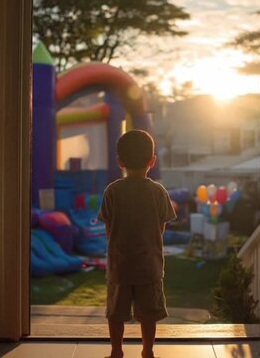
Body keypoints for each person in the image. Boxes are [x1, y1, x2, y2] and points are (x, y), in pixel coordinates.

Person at [98, 130, 177, 358]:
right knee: (149, 314)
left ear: (120, 161)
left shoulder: (112, 191)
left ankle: (116, 351)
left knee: (116, 313)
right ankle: (147, 351)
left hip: (120, 267)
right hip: (149, 266)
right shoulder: (158, 192)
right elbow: (161, 226)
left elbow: (108, 227)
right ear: (152, 161)